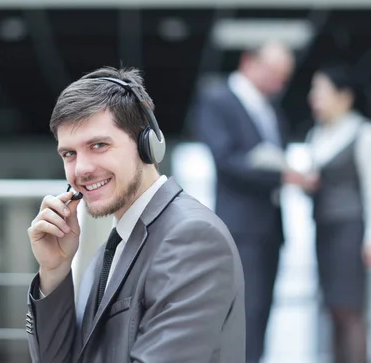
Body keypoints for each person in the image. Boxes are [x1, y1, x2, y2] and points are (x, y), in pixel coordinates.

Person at [25, 66, 246, 363]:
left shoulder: (192, 238)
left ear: (147, 144)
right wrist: (54, 272)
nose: (81, 169)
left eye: (99, 145)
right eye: (69, 154)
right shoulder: (107, 252)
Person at [192, 41, 317, 363]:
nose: (279, 84)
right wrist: (282, 177)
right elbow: (225, 159)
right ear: (249, 62)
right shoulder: (218, 99)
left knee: (260, 313)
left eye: (284, 78)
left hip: (270, 228)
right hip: (241, 228)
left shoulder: (270, 108)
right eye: (274, 73)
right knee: (241, 314)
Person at [306, 64, 371, 363]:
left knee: (350, 311)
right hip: (324, 230)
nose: (313, 97)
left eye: (320, 90)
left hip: (350, 230)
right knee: (332, 310)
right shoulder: (316, 134)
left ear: (344, 97)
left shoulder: (364, 133)